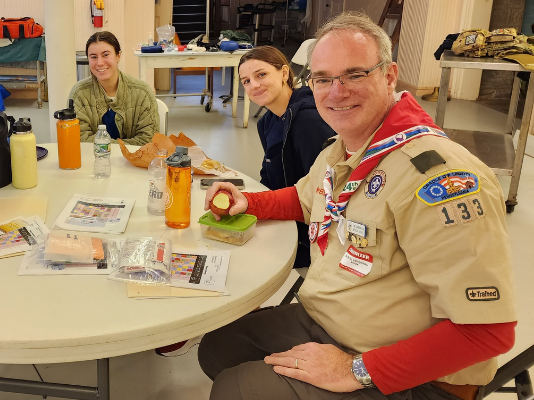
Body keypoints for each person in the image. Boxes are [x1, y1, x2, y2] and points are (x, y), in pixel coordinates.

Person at [198, 12, 516, 400]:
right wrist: (248, 201)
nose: (336, 92)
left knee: (236, 390)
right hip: (332, 317)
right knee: (217, 349)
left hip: (416, 373)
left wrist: (354, 369)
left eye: (355, 74)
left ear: (389, 75)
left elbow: (486, 331)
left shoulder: (440, 178)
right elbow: (303, 197)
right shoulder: (343, 148)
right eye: (323, 79)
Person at [239, 45, 336, 270]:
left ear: (284, 73)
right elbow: (269, 178)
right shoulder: (267, 122)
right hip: (283, 214)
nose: (254, 85)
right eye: (246, 81)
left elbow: (323, 193)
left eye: (261, 75)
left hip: (309, 231)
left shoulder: (308, 121)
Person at [69, 31, 158, 145]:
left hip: (134, 161)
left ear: (118, 56)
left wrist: (104, 145)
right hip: (92, 161)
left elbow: (148, 140)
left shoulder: (142, 92)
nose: (100, 63)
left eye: (106, 55)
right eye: (93, 57)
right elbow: (80, 140)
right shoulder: (79, 93)